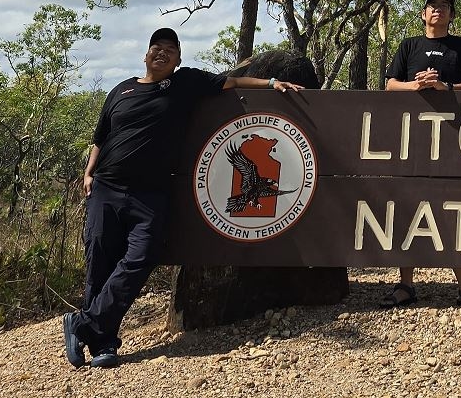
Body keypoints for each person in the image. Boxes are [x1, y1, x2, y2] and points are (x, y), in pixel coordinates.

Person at [63, 28, 305, 369]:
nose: (162, 53)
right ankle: (103, 342)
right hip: (107, 187)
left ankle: (82, 324)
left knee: (140, 257)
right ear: (145, 55)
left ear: (178, 60)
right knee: (100, 261)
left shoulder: (185, 83)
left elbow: (232, 83)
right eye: (156, 48)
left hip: (151, 192)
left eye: (170, 50)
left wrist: (271, 84)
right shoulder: (121, 90)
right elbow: (101, 136)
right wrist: (88, 172)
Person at [380, 0, 461, 308]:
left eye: (445, 6)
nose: (439, 10)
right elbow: (390, 85)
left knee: (450, 210)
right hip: (413, 141)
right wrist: (416, 86)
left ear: (451, 15)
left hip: (451, 140)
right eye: (433, 6)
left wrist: (442, 86)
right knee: (410, 208)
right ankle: (405, 285)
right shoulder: (409, 46)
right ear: (424, 14)